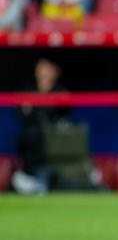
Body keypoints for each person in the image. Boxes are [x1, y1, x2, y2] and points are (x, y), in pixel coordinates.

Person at [12, 59, 71, 195]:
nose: (43, 72)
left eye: (47, 68)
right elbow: (21, 112)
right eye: (41, 68)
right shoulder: (28, 89)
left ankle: (46, 180)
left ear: (56, 72)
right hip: (31, 138)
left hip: (55, 136)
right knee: (30, 135)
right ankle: (31, 178)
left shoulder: (60, 91)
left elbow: (60, 111)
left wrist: (36, 108)